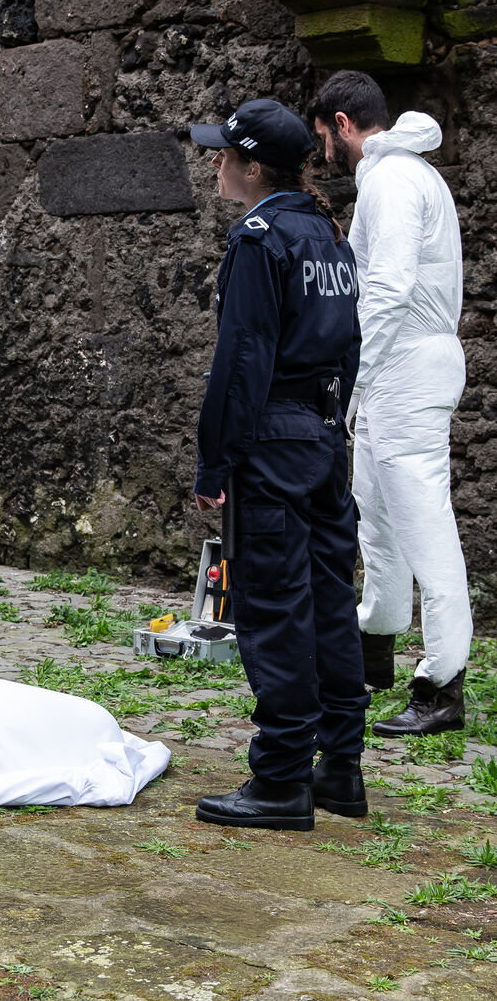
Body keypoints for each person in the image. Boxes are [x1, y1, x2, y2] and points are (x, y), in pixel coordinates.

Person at [190, 99, 369, 830]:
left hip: (272, 439)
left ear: (253, 166)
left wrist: (214, 463)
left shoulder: (260, 240)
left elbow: (240, 364)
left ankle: (282, 780)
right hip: (325, 438)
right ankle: (342, 770)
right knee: (330, 603)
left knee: (273, 608)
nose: (214, 164)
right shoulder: (328, 238)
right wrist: (328, 429)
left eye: (222, 153)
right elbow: (350, 349)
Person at [309, 71, 471, 737]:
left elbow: (391, 286)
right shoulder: (393, 176)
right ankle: (373, 647)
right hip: (393, 371)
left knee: (424, 527)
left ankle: (441, 684)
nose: (322, 154)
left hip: (406, 368)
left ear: (344, 125)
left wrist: (354, 376)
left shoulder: (395, 181)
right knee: (374, 514)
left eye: (323, 138)